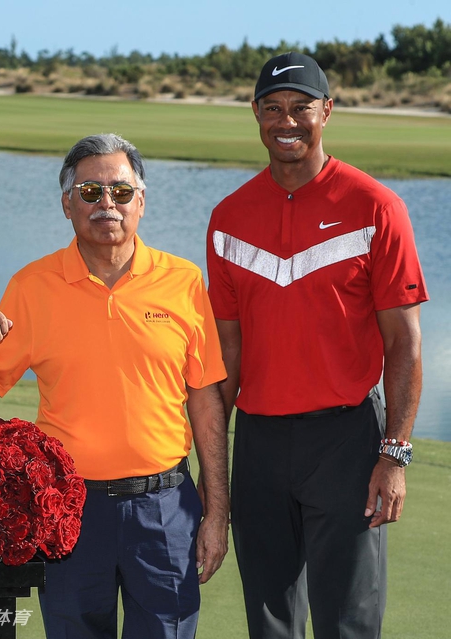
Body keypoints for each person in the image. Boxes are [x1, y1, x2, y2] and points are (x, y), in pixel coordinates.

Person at [206, 52, 429, 639]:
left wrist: (394, 456)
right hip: (258, 444)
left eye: (301, 108)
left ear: (326, 111)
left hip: (346, 442)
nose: (287, 121)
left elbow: (404, 344)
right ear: (256, 113)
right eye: (273, 108)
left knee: (347, 623)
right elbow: (228, 354)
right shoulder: (228, 218)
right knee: (269, 623)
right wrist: (213, 468)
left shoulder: (377, 207)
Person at [0, 133, 230, 639]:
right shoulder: (31, 286)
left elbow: (205, 399)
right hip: (71, 509)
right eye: (90, 192)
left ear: (141, 201)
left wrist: (217, 510)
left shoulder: (183, 280)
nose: (107, 205)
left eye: (120, 192)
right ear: (67, 204)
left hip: (166, 507)